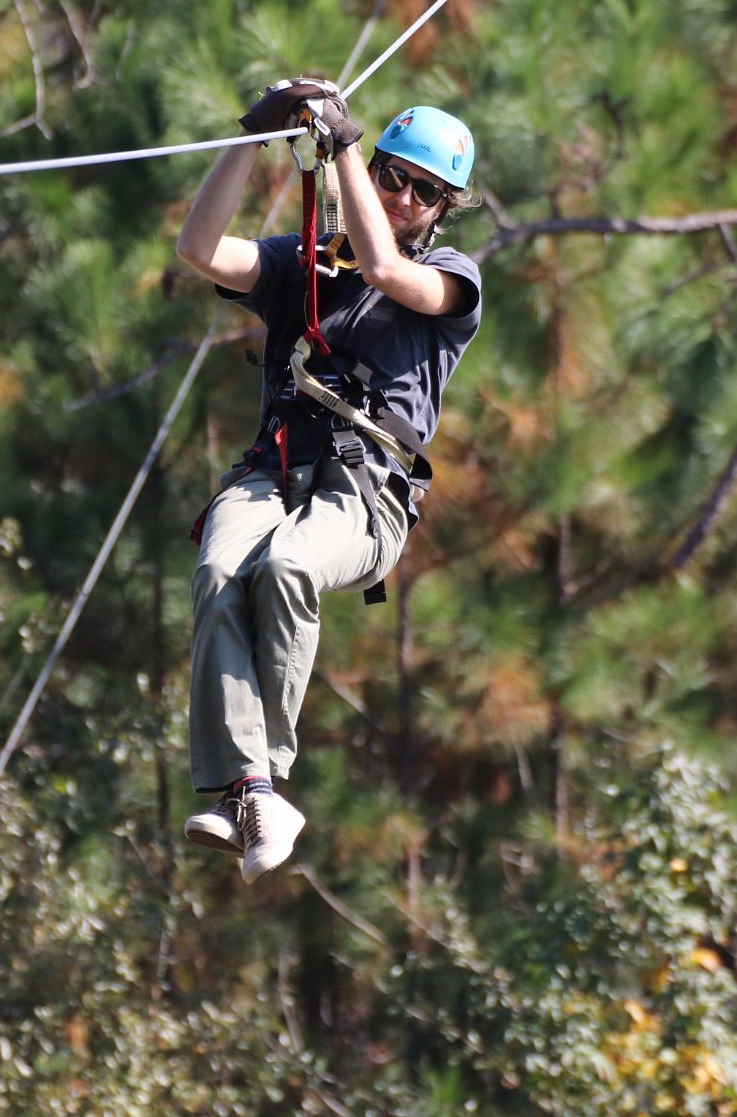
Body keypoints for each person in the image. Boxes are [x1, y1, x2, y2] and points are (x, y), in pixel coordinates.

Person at [172, 79, 483, 882]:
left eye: (424, 191)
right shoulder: (304, 260)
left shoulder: (450, 283)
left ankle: (262, 780)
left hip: (365, 490)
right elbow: (200, 251)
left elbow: (383, 263)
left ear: (445, 208)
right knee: (216, 569)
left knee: (288, 565)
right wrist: (252, 137)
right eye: (392, 176)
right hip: (275, 465)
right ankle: (249, 788)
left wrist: (341, 142)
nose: (403, 195)